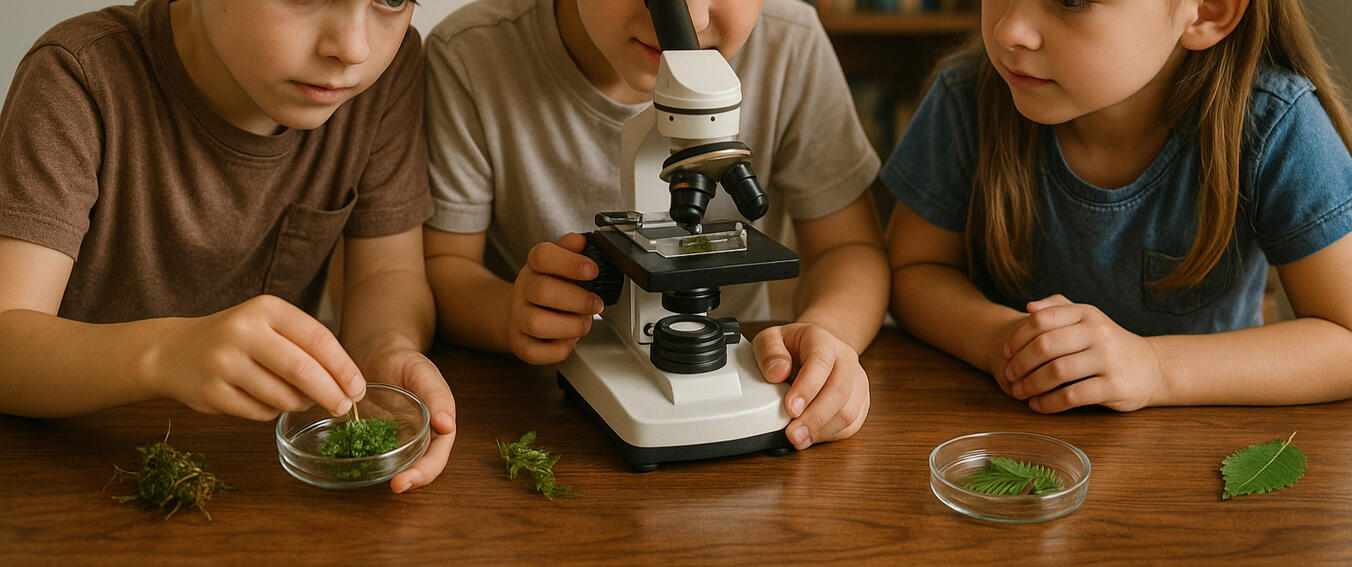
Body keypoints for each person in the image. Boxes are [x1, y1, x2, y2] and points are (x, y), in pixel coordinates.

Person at [0, 0, 455, 493]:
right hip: (78, 467)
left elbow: (387, 273)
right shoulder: (79, 75)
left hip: (247, 474)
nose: (352, 47)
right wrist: (167, 355)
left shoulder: (380, 77)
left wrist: (384, 349)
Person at [422, 0, 889, 450]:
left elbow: (848, 251)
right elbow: (444, 267)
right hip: (536, 397)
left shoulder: (793, 44)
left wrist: (828, 336)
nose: (693, 18)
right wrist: (512, 314)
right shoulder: (471, 55)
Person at [885, 0, 1352, 413]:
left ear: (1207, 9)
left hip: (1198, 453)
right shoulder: (966, 99)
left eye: (1072, 1)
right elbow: (915, 268)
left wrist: (1154, 369)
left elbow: (1344, 338)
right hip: (1014, 438)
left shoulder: (1275, 126)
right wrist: (998, 340)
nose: (1010, 30)